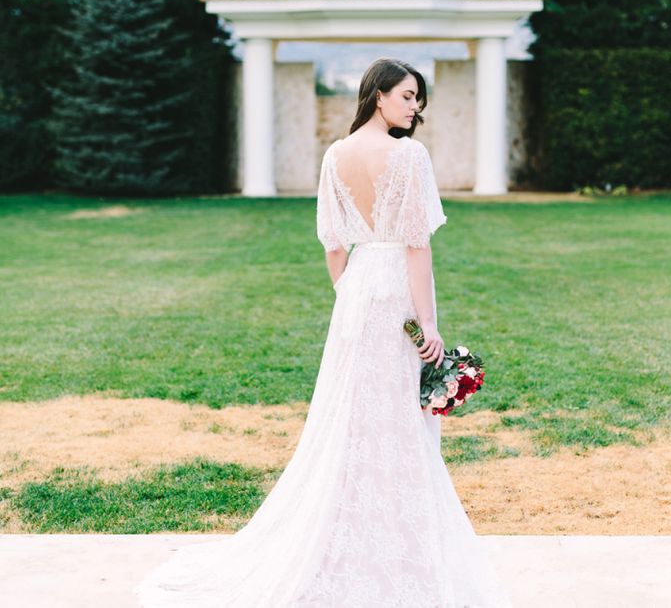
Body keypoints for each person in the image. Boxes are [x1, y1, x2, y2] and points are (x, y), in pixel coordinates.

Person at [134, 57, 512, 606]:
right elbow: (416, 245)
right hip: (395, 291)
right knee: (399, 416)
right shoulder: (409, 157)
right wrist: (428, 323)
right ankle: (395, 544)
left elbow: (333, 244)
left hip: (357, 291)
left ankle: (349, 537)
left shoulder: (335, 155)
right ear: (378, 95)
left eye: (418, 100)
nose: (414, 108)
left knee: (352, 414)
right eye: (407, 96)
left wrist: (348, 295)